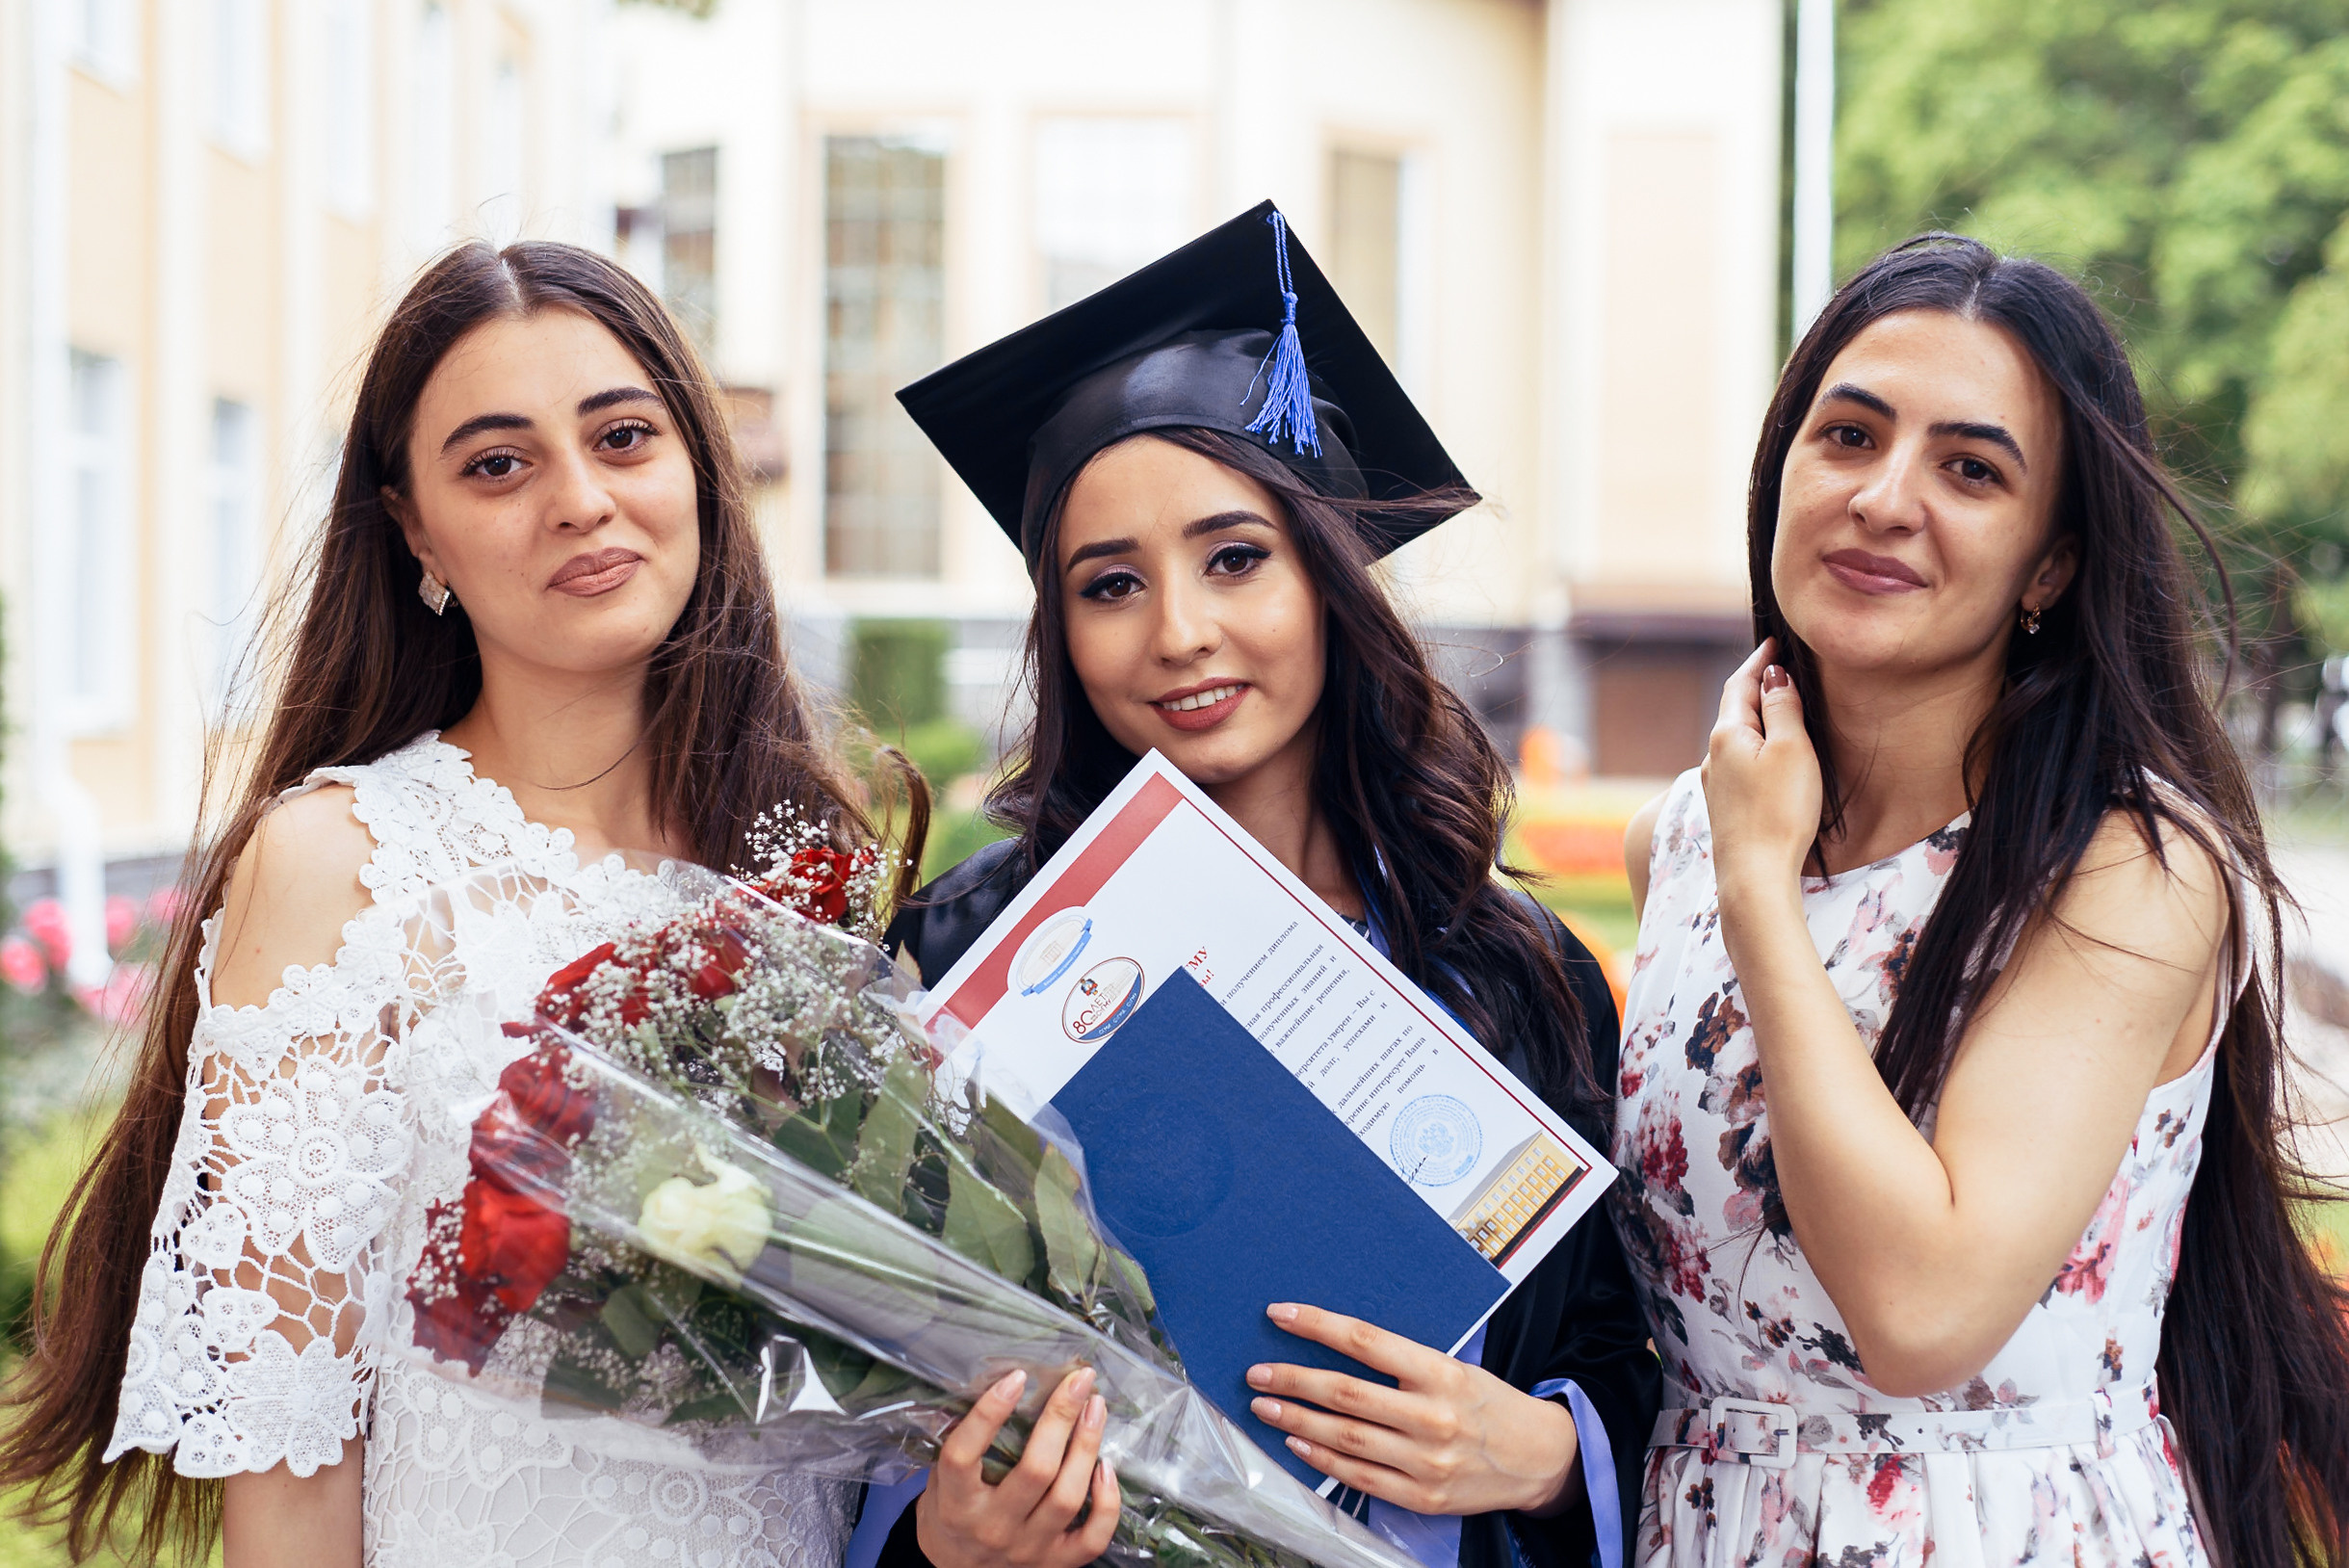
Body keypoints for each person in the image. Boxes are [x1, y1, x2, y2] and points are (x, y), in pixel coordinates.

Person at [0, 242, 915, 1568]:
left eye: (623, 436)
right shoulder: (343, 865)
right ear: (416, 530)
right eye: (498, 464)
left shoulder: (803, 877)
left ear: (700, 471)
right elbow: (288, 1466)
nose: (581, 500)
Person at [859, 204, 1658, 1568]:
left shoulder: (1516, 973)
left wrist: (1540, 1454)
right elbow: (868, 1355)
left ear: (1327, 578)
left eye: (1236, 558)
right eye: (1111, 585)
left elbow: (1631, 1353)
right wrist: (941, 1538)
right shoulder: (962, 951)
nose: (1181, 632)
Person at [1613, 234, 2349, 1566]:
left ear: (2049, 567)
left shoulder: (2125, 869)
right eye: (1849, 436)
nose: (1885, 499)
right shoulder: (1677, 842)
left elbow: (1922, 1314)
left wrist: (1761, 891)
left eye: (1970, 469)